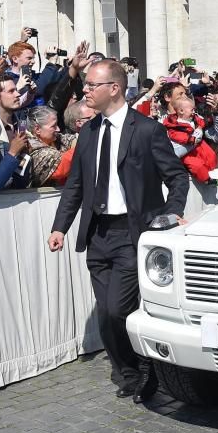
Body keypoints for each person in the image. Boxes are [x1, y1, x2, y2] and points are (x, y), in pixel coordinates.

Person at [48, 60, 190, 404]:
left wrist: (171, 214)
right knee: (104, 311)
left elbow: (177, 176)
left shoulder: (146, 130)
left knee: (117, 309)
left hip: (132, 232)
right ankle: (129, 373)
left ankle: (143, 368)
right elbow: (76, 186)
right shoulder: (89, 132)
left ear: (114, 88)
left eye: (91, 85)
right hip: (98, 233)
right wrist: (59, 227)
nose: (85, 91)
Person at [162, 96, 217, 182]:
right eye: (192, 110)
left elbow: (201, 121)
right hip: (186, 150)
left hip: (199, 145)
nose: (194, 112)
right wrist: (190, 139)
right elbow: (175, 135)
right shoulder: (175, 125)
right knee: (196, 165)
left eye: (194, 110)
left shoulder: (194, 118)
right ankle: (206, 179)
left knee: (211, 156)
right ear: (181, 111)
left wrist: (200, 127)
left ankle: (213, 171)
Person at [26, 106, 77, 187]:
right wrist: (85, 144)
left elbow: (71, 139)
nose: (58, 129)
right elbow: (62, 167)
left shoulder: (53, 138)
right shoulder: (31, 148)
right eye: (53, 126)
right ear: (37, 129)